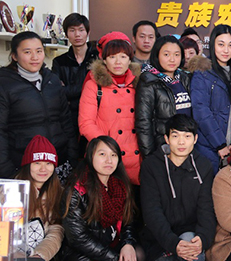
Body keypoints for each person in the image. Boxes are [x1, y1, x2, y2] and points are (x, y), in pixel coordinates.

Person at [140, 115, 218, 261]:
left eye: (187, 136)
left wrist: (203, 238)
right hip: (160, 241)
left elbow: (206, 209)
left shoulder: (203, 166)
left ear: (195, 139)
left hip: (189, 235)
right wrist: (172, 244)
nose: (181, 142)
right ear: (167, 138)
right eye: (175, 136)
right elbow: (152, 212)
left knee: (193, 240)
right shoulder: (151, 166)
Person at [59, 136, 144, 261]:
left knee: (139, 255)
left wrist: (127, 244)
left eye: (113, 155)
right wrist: (114, 259)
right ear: (90, 156)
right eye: (102, 154)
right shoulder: (76, 189)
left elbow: (128, 220)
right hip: (81, 254)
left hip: (108, 245)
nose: (109, 160)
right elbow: (78, 239)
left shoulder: (119, 184)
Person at [0, 32, 78, 177]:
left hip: (58, 162)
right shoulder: (4, 84)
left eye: (39, 51)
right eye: (27, 52)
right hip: (23, 166)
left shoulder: (53, 80)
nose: (35, 57)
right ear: (14, 56)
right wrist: (6, 170)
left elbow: (66, 122)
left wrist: (72, 156)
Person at [79, 32, 141, 185]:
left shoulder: (139, 84)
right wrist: (108, 147)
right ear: (104, 60)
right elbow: (86, 123)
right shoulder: (94, 85)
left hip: (137, 158)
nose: (118, 62)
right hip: (107, 158)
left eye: (123, 56)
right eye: (112, 57)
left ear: (130, 60)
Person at [15, 135, 65, 261]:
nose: (43, 169)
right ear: (28, 164)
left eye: (48, 163)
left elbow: (56, 230)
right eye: (37, 163)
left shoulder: (57, 192)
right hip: (14, 258)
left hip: (41, 257)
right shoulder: (12, 191)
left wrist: (40, 255)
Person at [190, 24, 231, 172]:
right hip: (211, 146)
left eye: (230, 45)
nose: (226, 50)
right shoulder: (203, 73)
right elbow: (201, 111)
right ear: (212, 45)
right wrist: (219, 144)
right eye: (221, 44)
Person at [135, 35, 192, 158]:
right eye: (166, 54)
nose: (172, 59)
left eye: (176, 54)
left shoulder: (184, 78)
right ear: (157, 55)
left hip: (186, 145)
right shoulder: (148, 81)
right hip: (162, 147)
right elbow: (143, 122)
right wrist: (150, 156)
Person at [52, 13, 99, 148]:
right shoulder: (59, 61)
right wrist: (86, 86)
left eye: (81, 30)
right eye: (72, 30)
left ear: (88, 32)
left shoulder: (97, 58)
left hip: (94, 115)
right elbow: (56, 91)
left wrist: (67, 89)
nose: (77, 35)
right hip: (69, 117)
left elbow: (100, 87)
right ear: (66, 34)